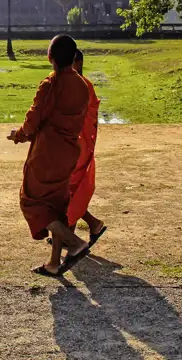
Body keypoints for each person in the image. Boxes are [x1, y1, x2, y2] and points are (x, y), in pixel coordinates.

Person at [8, 34, 91, 277]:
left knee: (31, 202)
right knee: (57, 207)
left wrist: (19, 134)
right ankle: (54, 263)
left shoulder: (51, 84)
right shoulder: (82, 85)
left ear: (49, 57)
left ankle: (75, 243)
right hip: (69, 152)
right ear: (74, 57)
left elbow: (34, 119)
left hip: (47, 153)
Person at [54, 50, 107, 245]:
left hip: (79, 144)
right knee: (69, 191)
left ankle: (73, 234)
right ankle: (85, 228)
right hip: (72, 144)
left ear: (78, 63)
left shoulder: (83, 86)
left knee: (69, 191)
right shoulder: (72, 84)